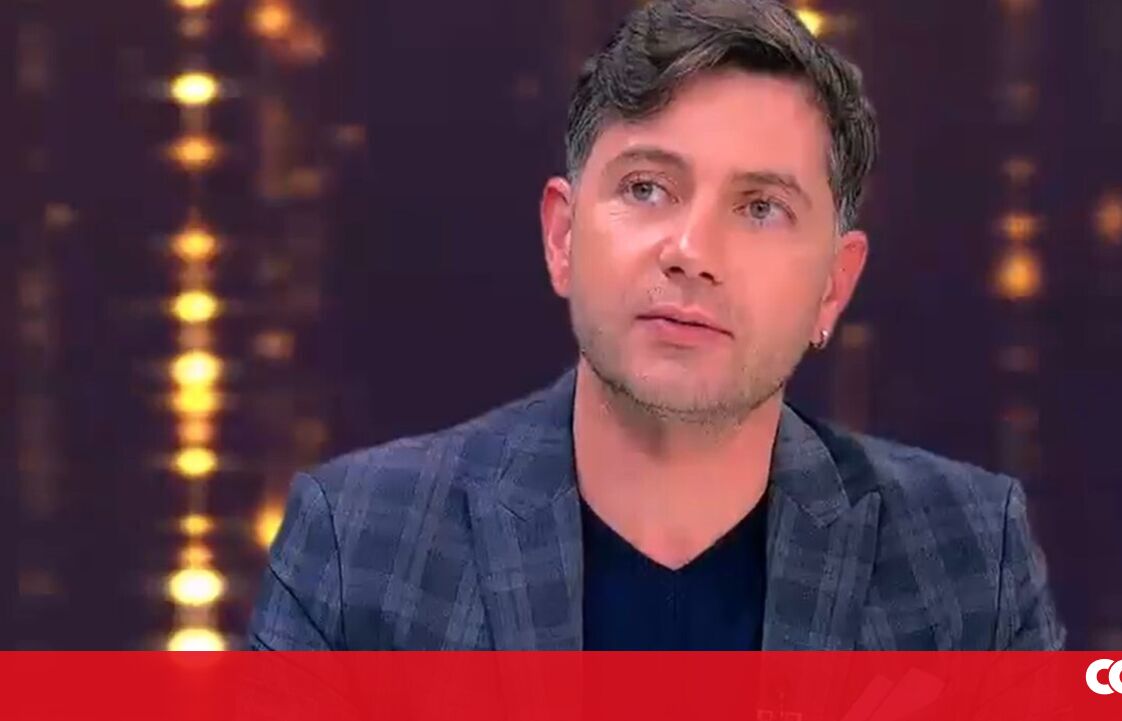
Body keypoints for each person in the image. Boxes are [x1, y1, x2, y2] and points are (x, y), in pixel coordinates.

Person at [248, 0, 1064, 651]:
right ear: (562, 236)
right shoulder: (361, 546)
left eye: (761, 208)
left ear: (832, 287)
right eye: (646, 188)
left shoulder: (968, 562)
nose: (692, 252)